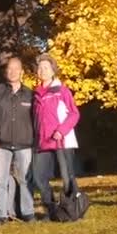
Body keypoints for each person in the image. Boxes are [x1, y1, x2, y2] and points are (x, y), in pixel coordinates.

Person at [0, 57, 35, 225]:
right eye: (9, 69)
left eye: (15, 69)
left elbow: (37, 120)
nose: (12, 72)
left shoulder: (30, 95)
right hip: (0, 145)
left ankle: (28, 213)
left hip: (24, 144)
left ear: (21, 72)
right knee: (0, 181)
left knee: (26, 181)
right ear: (6, 72)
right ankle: (0, 215)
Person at [32, 53, 81, 219]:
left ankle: (72, 209)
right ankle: (51, 210)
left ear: (53, 70)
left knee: (67, 178)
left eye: (46, 67)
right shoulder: (36, 94)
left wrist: (62, 130)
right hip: (42, 142)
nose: (42, 70)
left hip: (62, 141)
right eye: (40, 68)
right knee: (39, 177)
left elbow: (74, 114)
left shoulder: (62, 91)